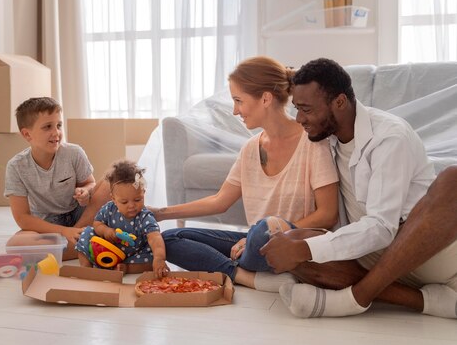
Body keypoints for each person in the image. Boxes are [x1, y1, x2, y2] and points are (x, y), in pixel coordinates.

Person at [259, 58, 457, 319]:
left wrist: (307, 250)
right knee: (290, 242)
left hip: (423, 250)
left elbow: (382, 227)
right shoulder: (322, 139)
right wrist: (295, 245)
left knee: (452, 179)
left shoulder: (389, 135)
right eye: (297, 109)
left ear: (339, 102)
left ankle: (354, 298)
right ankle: (425, 301)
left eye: (306, 109)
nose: (300, 119)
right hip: (374, 256)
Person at [156, 56, 339, 291]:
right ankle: (247, 276)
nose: (235, 111)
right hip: (254, 243)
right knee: (169, 239)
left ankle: (242, 265)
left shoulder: (313, 142)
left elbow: (327, 214)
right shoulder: (251, 148)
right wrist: (161, 213)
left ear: (265, 98)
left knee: (265, 228)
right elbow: (219, 201)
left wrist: (263, 235)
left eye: (238, 101)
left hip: (293, 244)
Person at [4, 97, 111, 259]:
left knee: (111, 182)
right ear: (27, 134)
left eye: (59, 125)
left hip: (79, 215)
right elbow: (23, 218)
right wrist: (64, 231)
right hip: (47, 224)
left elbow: (90, 183)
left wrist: (85, 191)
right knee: (15, 245)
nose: (56, 133)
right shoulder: (16, 167)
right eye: (47, 127)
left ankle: (73, 243)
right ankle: (85, 242)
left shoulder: (74, 153)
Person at [75, 160, 169, 278]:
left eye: (137, 200)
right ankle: (86, 268)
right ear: (113, 199)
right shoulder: (109, 208)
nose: (131, 206)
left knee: (151, 257)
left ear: (143, 193)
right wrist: (106, 231)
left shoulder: (145, 217)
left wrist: (159, 258)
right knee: (85, 233)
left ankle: (126, 268)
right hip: (106, 250)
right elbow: (97, 223)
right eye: (124, 202)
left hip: (133, 255)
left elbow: (155, 237)